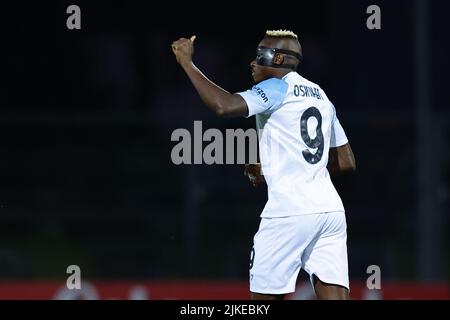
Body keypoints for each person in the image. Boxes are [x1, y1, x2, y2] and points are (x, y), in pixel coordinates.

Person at [171, 29, 356, 300]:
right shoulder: (320, 95)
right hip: (330, 212)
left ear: (279, 59)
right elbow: (346, 161)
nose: (253, 62)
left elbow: (223, 106)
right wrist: (282, 168)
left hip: (288, 213)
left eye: (261, 55)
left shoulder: (275, 87)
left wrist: (187, 63)